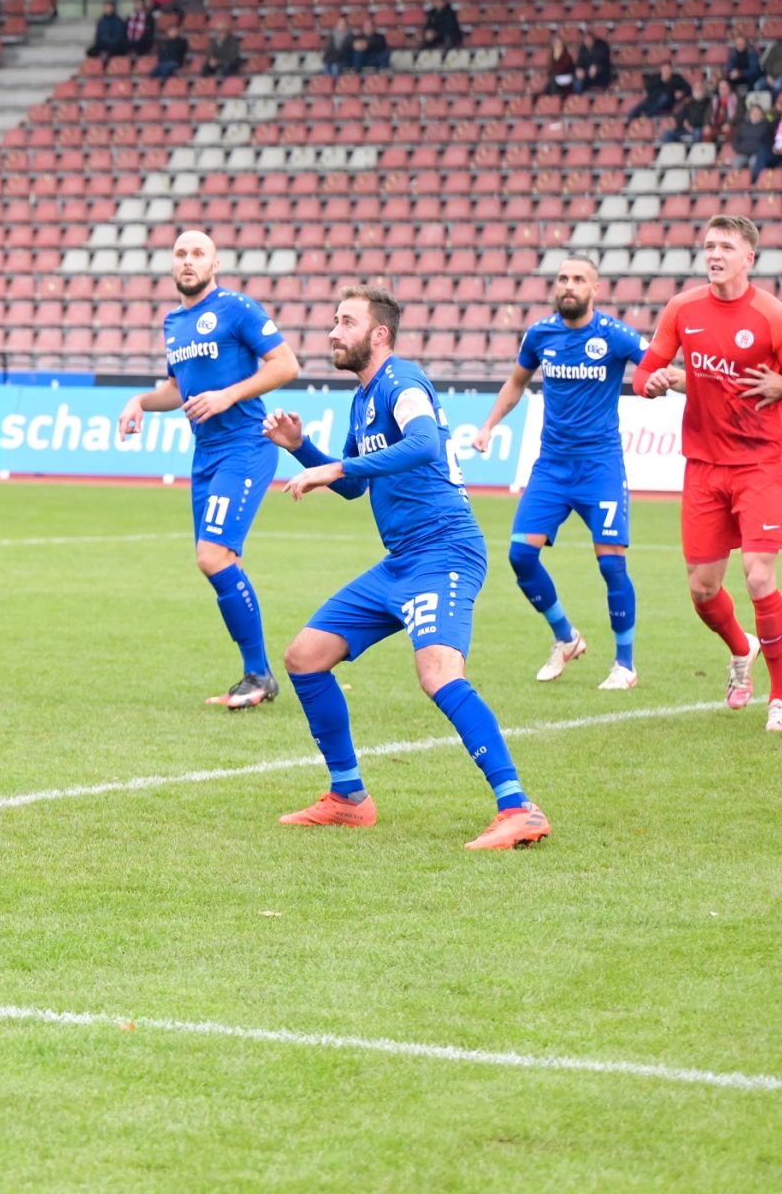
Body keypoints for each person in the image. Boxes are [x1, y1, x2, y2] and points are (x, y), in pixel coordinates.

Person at [264, 286, 551, 850]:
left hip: (445, 551)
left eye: (346, 321)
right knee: (304, 658)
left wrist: (334, 467)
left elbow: (423, 445)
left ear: (380, 334)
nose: (332, 331)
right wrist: (301, 448)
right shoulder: (363, 398)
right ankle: (348, 798)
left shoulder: (403, 381)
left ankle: (519, 807)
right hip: (402, 561)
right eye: (334, 320)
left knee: (438, 673)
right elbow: (356, 484)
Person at [632, 215, 782, 733]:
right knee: (703, 590)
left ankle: (781, 698)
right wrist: (652, 384)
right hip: (704, 468)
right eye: (709, 245)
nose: (714, 254)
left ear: (748, 258)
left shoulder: (774, 316)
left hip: (761, 466)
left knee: (758, 575)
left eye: (726, 247)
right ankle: (741, 649)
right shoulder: (682, 308)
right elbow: (645, 372)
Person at [118, 231, 301, 710]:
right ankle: (257, 676)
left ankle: (259, 674)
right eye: (180, 253)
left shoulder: (237, 309)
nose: (188, 261)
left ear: (214, 264)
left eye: (198, 253)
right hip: (206, 456)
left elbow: (286, 365)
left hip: (246, 447)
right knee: (222, 561)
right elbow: (176, 388)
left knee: (212, 556)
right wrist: (140, 401)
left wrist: (228, 395)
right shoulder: (173, 322)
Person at [472, 258, 645, 689]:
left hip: (600, 467)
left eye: (578, 280)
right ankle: (566, 637)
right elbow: (516, 382)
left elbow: (658, 368)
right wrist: (490, 425)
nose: (569, 286)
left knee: (611, 565)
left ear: (595, 289)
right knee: (520, 555)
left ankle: (625, 664)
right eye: (563, 279)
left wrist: (684, 383)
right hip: (551, 467)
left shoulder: (615, 335)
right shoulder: (540, 334)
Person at [574, 23, 611, 92]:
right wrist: (579, 69)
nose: (587, 41)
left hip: (601, 75)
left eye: (588, 39)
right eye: (585, 40)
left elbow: (603, 60)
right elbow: (580, 62)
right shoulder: (583, 49)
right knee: (576, 81)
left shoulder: (602, 46)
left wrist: (596, 67)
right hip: (587, 75)